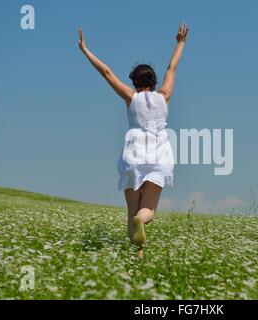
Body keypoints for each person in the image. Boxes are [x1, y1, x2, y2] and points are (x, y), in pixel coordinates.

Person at [79, 22, 189, 259]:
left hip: (134, 155)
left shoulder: (131, 97)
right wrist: (180, 43)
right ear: (153, 82)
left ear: (135, 83)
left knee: (132, 211)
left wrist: (86, 51)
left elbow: (106, 72)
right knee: (147, 209)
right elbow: (172, 67)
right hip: (159, 156)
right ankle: (142, 222)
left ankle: (137, 257)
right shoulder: (164, 96)